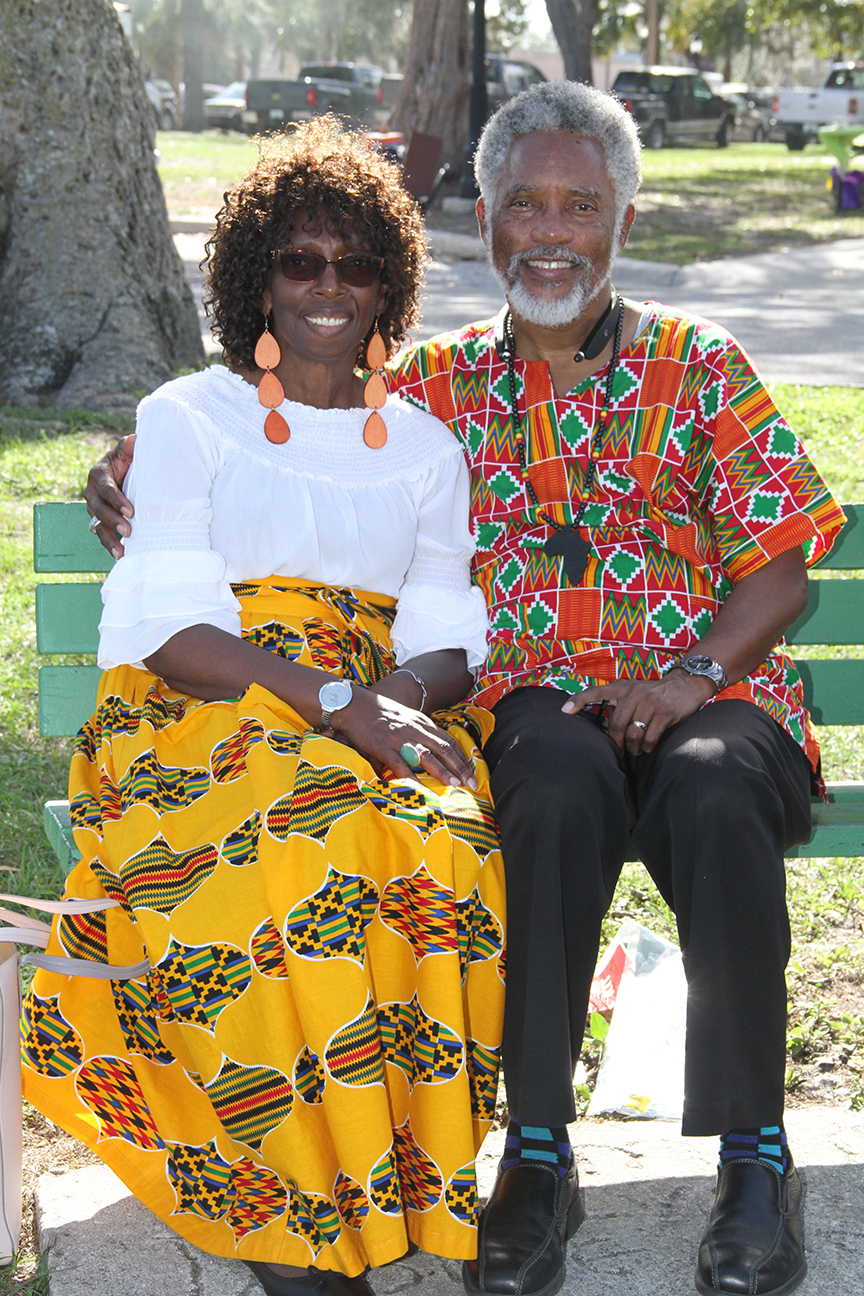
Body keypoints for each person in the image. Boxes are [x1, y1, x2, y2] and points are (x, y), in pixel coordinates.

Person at [84, 83, 846, 1296]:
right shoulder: (425, 392)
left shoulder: (700, 367)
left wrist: (693, 677)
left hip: (713, 692)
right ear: (483, 223)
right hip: (536, 699)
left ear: (624, 222)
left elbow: (782, 567)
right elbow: (288, 406)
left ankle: (757, 1160)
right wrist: (126, 458)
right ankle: (536, 1157)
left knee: (709, 789)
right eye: (523, 203)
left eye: (580, 205)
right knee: (541, 776)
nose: (552, 229)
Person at [22, 118, 506, 1296]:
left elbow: (450, 627)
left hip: (380, 696)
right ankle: (288, 1205)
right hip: (209, 702)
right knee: (296, 845)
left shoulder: (429, 447)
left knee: (432, 846)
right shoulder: (191, 418)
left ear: (389, 281)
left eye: (356, 264)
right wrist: (338, 702)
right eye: (301, 262)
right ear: (258, 277)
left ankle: (385, 1185)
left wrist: (387, 702)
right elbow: (173, 633)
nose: (329, 288)